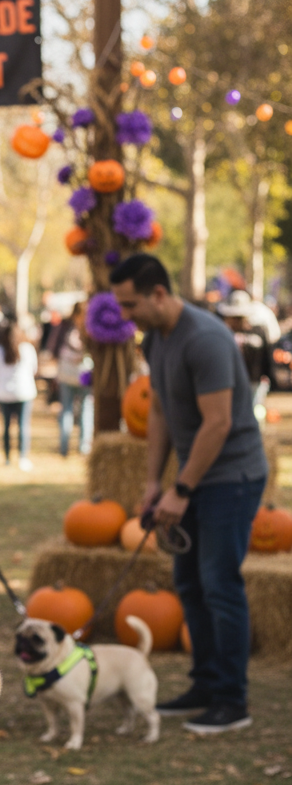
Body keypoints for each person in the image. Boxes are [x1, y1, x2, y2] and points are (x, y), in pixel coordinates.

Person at [110, 254, 267, 734]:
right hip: (191, 478)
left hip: (231, 477)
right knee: (189, 584)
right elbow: (159, 410)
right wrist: (155, 482)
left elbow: (218, 423)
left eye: (131, 303)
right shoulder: (156, 339)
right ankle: (204, 683)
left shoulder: (206, 339)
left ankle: (231, 699)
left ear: (159, 293)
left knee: (220, 585)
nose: (126, 314)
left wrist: (182, 488)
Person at [0, 320, 37, 471]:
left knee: (7, 427)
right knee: (23, 426)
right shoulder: (27, 349)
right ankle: (23, 457)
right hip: (24, 392)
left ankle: (8, 458)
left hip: (4, 394)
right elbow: (33, 369)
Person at [217, 289, 273, 411]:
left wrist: (268, 377)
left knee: (254, 411)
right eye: (234, 317)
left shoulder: (259, 331)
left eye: (240, 317)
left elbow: (266, 356)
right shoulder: (222, 333)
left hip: (253, 380)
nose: (237, 321)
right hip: (230, 381)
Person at [52, 301, 93, 457]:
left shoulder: (64, 328)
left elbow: (54, 349)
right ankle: (82, 447)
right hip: (83, 374)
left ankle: (66, 446)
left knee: (69, 409)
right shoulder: (89, 329)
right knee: (84, 409)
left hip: (69, 374)